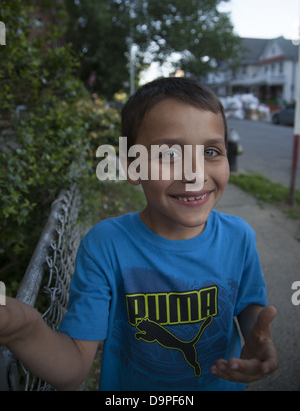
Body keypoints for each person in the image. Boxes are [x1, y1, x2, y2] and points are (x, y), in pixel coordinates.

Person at [0, 77, 278, 391]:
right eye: (170, 155)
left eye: (211, 151)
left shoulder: (239, 238)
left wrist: (257, 336)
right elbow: (73, 366)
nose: (195, 174)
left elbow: (247, 307)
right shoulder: (105, 246)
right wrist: (22, 329)